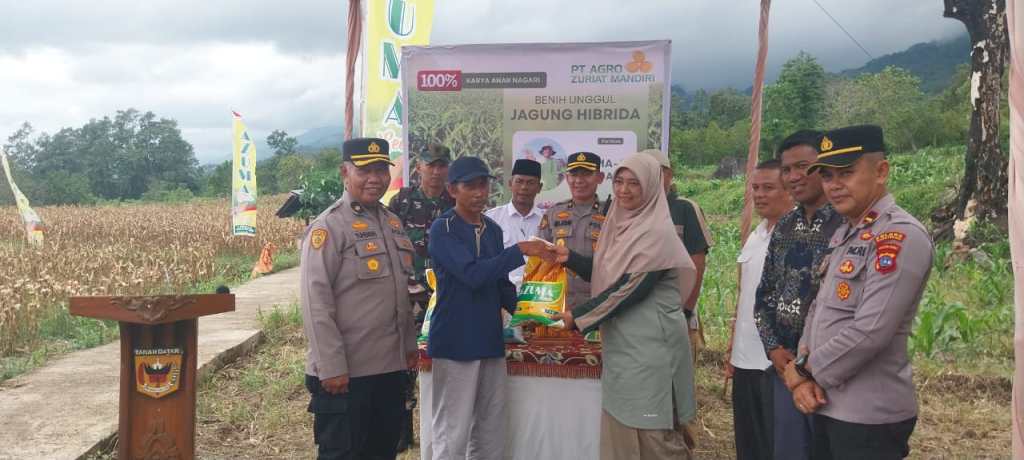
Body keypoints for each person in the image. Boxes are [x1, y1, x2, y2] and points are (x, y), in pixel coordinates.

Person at [782, 125, 932, 459]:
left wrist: (804, 371)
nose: (834, 186)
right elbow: (818, 311)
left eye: (846, 173)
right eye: (828, 176)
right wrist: (804, 374)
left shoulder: (898, 236)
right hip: (826, 404)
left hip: (867, 415)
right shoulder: (849, 233)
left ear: (881, 172)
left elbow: (871, 330)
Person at [550, 153, 697, 460]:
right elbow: (608, 273)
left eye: (635, 183)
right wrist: (570, 259)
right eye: (619, 181)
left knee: (655, 437)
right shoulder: (620, 225)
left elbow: (629, 288)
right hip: (625, 347)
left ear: (653, 187)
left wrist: (575, 318)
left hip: (653, 352)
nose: (624, 190)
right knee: (622, 434)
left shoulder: (657, 232)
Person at [426, 156, 552, 460]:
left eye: (483, 184)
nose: (479, 192)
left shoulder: (493, 230)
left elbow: (501, 286)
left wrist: (534, 315)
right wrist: (519, 250)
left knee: (491, 425)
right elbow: (472, 275)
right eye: (470, 185)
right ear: (452, 189)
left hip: (489, 339)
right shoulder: (443, 228)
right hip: (455, 340)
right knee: (452, 428)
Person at [300, 138, 418, 460]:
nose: (375, 178)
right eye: (365, 170)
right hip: (346, 375)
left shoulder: (392, 222)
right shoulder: (329, 226)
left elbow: (400, 294)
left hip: (389, 370)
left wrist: (409, 348)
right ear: (344, 172)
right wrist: (332, 366)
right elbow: (315, 303)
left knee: (382, 453)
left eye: (381, 170)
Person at [753, 129, 842, 460]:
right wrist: (773, 348)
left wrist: (809, 365)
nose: (793, 177)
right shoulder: (786, 226)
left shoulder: (845, 224)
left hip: (831, 373)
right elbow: (764, 296)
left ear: (825, 167)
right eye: (787, 169)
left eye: (803, 166)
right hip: (785, 370)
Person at [386, 143, 454, 452]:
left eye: (442, 165)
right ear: (419, 168)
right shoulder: (402, 201)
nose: (436, 171)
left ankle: (443, 426)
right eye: (431, 165)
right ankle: (402, 430)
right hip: (410, 294)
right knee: (406, 360)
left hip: (448, 295)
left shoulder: (456, 201)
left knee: (446, 361)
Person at [725, 159, 794, 460]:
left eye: (769, 187)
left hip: (774, 363)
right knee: (748, 444)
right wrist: (732, 347)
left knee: (775, 445)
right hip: (744, 360)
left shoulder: (797, 237)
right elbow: (747, 295)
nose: (760, 194)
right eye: (755, 187)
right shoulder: (758, 234)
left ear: (789, 191)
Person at [641, 149, 715, 361]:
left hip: (677, 312)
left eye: (658, 172)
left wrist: (687, 310)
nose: (651, 178)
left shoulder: (685, 208)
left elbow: (697, 262)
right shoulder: (633, 209)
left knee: (677, 382)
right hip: (642, 315)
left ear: (669, 175)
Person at [538, 151, 606, 309]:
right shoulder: (553, 213)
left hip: (598, 305)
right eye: (574, 174)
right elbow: (540, 260)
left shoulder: (611, 214)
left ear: (600, 177)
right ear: (567, 178)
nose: (579, 181)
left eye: (587, 174)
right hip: (558, 303)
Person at [485, 159, 544, 289]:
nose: (524, 187)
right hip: (501, 292)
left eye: (530, 183)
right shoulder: (491, 218)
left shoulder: (547, 220)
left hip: (537, 295)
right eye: (519, 181)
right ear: (510, 184)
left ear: (539, 188)